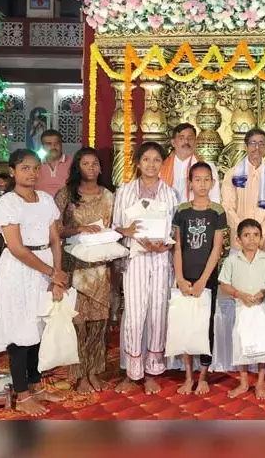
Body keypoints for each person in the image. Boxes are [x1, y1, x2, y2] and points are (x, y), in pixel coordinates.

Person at [0, 149, 69, 416]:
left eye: (36, 168)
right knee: (20, 332)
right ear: (13, 171)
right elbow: (16, 248)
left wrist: (57, 274)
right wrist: (51, 272)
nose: (32, 173)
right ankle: (22, 395)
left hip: (45, 266)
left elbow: (55, 239)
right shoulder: (8, 203)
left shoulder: (45, 199)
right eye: (25, 168)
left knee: (39, 330)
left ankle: (36, 386)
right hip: (18, 271)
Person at [54, 147, 124, 394]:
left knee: (99, 323)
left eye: (95, 163)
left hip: (100, 268)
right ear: (77, 167)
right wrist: (79, 229)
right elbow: (55, 230)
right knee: (78, 323)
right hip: (74, 268)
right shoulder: (66, 194)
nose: (91, 168)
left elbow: (115, 227)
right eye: (86, 163)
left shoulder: (109, 196)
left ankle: (94, 371)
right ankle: (79, 375)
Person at [113, 142, 180, 395]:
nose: (151, 165)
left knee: (158, 312)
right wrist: (128, 231)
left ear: (163, 164)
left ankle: (152, 371)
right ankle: (132, 372)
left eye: (156, 160)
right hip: (136, 258)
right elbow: (116, 226)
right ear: (138, 163)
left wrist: (165, 244)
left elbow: (175, 229)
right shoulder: (125, 191)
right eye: (146, 160)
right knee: (134, 313)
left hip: (161, 258)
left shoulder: (170, 193)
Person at [172, 162, 227, 396]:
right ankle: (188, 376)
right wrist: (180, 277)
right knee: (186, 324)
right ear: (190, 183)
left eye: (206, 180)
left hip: (207, 277)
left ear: (213, 183)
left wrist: (204, 279)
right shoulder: (182, 210)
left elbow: (216, 249)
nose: (202, 184)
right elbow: (176, 247)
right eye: (197, 180)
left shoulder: (217, 211)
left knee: (206, 325)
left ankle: (203, 376)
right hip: (185, 276)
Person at [218, 218, 265, 400]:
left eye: (256, 235)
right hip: (242, 308)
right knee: (241, 344)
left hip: (263, 308)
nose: (252, 239)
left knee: (263, 344)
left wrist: (264, 292)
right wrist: (239, 294)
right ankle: (244, 382)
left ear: (261, 238)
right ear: (238, 240)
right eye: (246, 235)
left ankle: (260, 383)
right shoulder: (232, 260)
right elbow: (224, 284)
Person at [222, 128, 265, 252]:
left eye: (261, 143)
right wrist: (243, 231)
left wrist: (260, 232)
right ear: (246, 147)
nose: (257, 148)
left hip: (264, 237)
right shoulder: (233, 174)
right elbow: (227, 206)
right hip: (239, 237)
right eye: (253, 143)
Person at [161, 123, 221, 203]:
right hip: (166, 210)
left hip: (197, 210)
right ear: (173, 143)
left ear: (196, 142)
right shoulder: (161, 166)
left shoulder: (207, 166)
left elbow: (215, 198)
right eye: (181, 138)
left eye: (190, 138)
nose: (186, 142)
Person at [35, 129, 71, 198]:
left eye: (56, 143)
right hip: (41, 203)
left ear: (61, 144)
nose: (53, 147)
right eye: (48, 144)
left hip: (67, 203)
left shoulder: (73, 163)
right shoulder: (35, 164)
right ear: (43, 146)